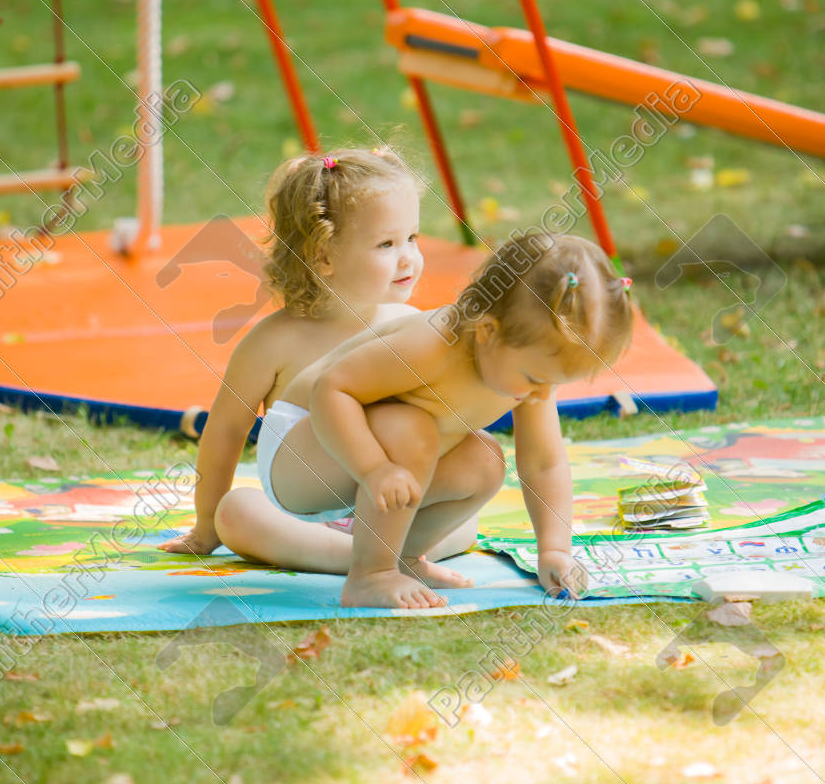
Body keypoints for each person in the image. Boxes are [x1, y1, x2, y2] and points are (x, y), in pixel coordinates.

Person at [259, 230, 635, 610]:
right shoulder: (431, 346)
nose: (542, 394)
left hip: (371, 472)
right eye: (537, 379)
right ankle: (370, 575)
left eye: (555, 382)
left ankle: (402, 560)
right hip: (299, 458)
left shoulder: (522, 367)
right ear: (488, 332)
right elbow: (331, 390)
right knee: (412, 428)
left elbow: (544, 462)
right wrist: (372, 468)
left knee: (486, 459)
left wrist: (554, 549)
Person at [161, 146, 479, 571]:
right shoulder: (273, 342)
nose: (409, 257)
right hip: (304, 512)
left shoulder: (410, 326)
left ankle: (378, 552)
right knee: (236, 512)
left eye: (412, 238)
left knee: (469, 516)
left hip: (388, 505)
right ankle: (367, 559)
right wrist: (206, 526)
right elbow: (224, 431)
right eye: (386, 243)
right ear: (324, 256)